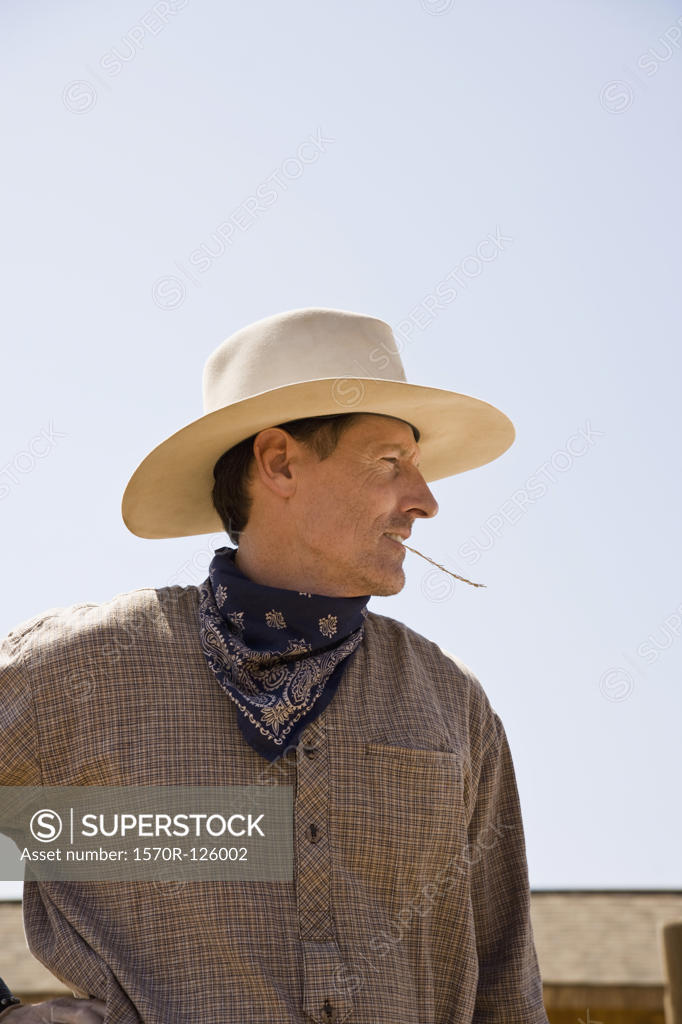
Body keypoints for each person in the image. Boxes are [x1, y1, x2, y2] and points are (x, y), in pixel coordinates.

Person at [0, 307, 549, 1023]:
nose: (426, 500)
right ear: (280, 463)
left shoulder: (453, 704)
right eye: (391, 463)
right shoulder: (80, 671)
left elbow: (506, 987)